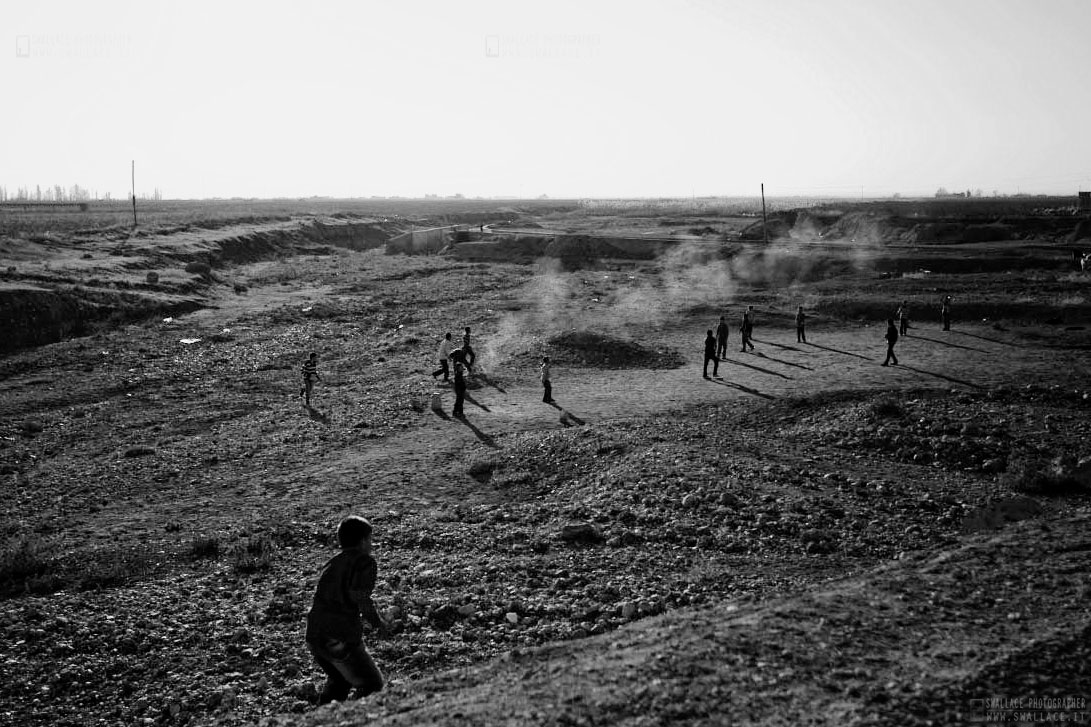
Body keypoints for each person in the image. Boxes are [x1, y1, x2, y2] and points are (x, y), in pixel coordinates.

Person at [305, 516, 388, 705]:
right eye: (370, 539)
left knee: (340, 682)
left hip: (314, 635)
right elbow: (359, 597)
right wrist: (378, 624)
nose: (372, 545)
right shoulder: (364, 562)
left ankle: (321, 719)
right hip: (338, 634)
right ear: (363, 541)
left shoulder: (333, 563)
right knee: (371, 683)